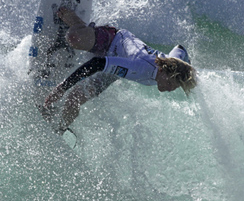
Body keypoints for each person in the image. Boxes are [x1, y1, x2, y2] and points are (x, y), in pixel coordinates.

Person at [41, 7, 197, 134]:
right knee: (75, 38)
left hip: (112, 71)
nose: (170, 89)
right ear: (163, 72)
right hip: (110, 42)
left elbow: (180, 48)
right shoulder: (140, 67)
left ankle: (58, 131)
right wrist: (62, 88)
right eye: (171, 84)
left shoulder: (172, 64)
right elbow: (96, 64)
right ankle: (74, 21)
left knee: (74, 100)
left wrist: (191, 75)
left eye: (174, 87)